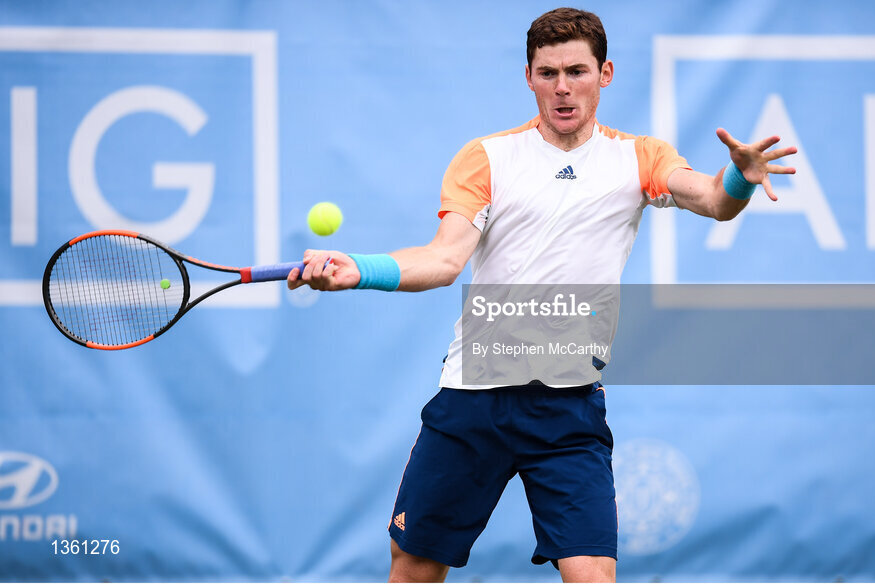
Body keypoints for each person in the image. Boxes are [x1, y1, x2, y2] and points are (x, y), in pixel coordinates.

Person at [287, 7, 796, 583]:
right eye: (548, 73)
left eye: (576, 71)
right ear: (528, 76)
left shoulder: (639, 157)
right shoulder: (487, 158)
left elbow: (710, 200)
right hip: (474, 399)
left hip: (568, 409)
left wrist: (738, 179)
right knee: (414, 568)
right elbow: (444, 258)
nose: (562, 87)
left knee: (591, 575)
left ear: (605, 74)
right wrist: (360, 267)